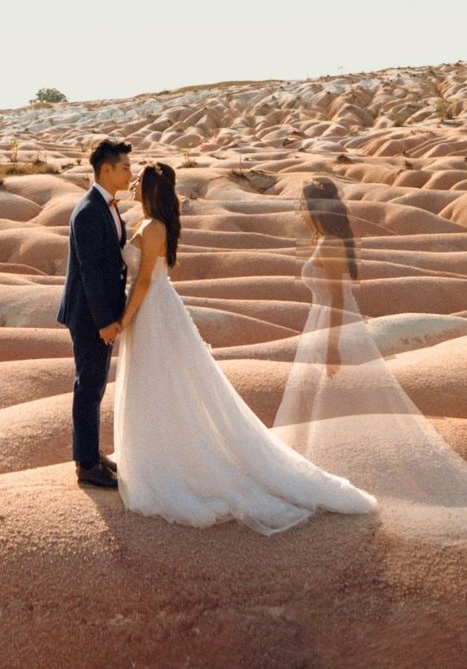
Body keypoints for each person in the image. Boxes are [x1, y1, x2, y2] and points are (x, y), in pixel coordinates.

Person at [272, 177, 467, 534]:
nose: (300, 211)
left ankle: (335, 474)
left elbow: (336, 301)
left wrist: (332, 347)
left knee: (332, 402)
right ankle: (326, 472)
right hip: (323, 332)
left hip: (332, 334)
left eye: (303, 204)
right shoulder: (327, 242)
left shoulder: (332, 245)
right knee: (325, 403)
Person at [113, 162, 377, 534]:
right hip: (152, 310)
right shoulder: (144, 223)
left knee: (165, 381)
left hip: (153, 309)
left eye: (140, 178)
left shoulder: (154, 227)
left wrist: (124, 320)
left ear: (152, 189)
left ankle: (170, 461)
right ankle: (158, 453)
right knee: (156, 382)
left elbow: (142, 283)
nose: (134, 182)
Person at [56, 138, 131, 489]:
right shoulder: (88, 211)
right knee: (88, 385)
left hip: (98, 314)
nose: (130, 173)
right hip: (89, 316)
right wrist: (104, 321)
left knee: (95, 384)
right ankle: (86, 464)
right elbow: (90, 272)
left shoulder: (108, 207)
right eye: (125, 167)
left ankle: (90, 452)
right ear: (106, 169)